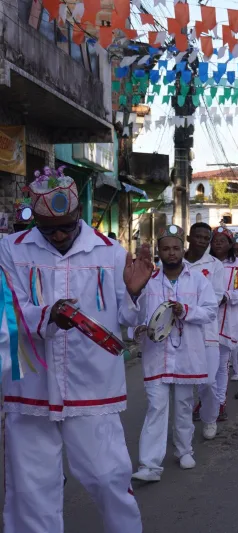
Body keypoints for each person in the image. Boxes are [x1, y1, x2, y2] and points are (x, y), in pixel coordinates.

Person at [0, 167, 146, 531]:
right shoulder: (9, 250)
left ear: (79, 215)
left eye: (67, 226)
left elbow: (128, 319)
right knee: (31, 490)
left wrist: (135, 292)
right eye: (50, 230)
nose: (60, 235)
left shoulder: (111, 252)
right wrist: (49, 316)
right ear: (36, 222)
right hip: (31, 386)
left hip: (93, 385)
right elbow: (8, 311)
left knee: (110, 478)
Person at [124, 225, 217, 481]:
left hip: (188, 353)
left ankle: (184, 450)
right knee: (156, 406)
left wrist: (185, 310)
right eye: (166, 248)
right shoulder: (148, 281)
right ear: (159, 251)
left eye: (176, 248)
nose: (171, 253)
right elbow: (134, 314)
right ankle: (150, 465)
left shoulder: (198, 280)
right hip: (157, 355)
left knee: (185, 405)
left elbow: (210, 311)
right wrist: (138, 330)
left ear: (182, 249)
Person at [185, 222, 226, 440]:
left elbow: (216, 298)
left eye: (205, 238)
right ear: (189, 238)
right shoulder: (176, 261)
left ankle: (209, 419)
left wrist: (187, 308)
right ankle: (182, 430)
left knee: (208, 382)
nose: (202, 240)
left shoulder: (215, 266)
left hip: (208, 333)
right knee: (182, 386)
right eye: (198, 236)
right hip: (180, 333)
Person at [211, 227, 238, 404]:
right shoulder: (206, 263)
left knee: (221, 367)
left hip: (228, 323)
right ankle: (206, 401)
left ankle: (219, 403)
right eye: (216, 240)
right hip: (205, 323)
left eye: (223, 240)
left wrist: (227, 296)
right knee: (205, 367)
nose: (219, 243)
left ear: (230, 245)